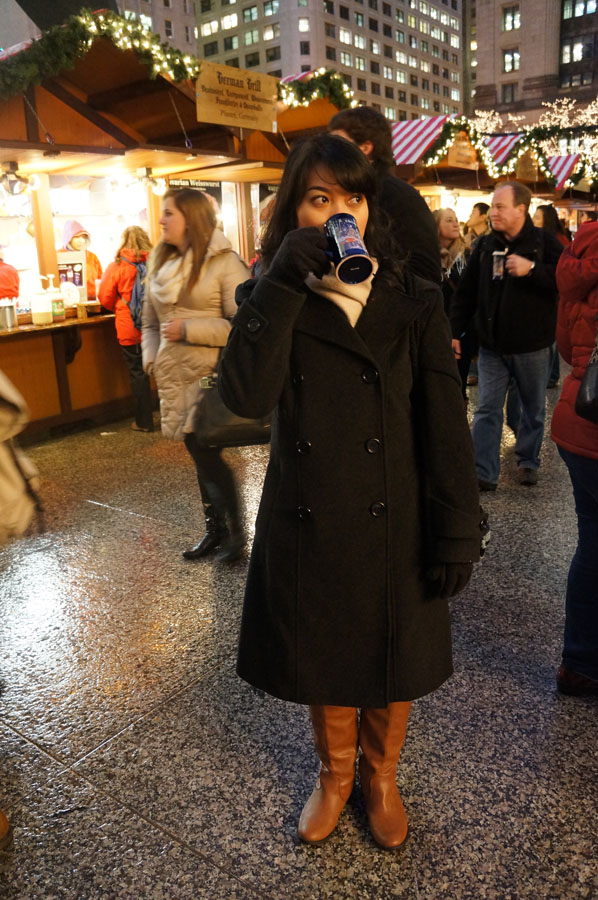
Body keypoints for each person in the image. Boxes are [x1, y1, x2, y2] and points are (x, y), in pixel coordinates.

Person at [218, 134, 481, 849]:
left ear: (370, 210)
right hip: (312, 511)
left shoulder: (416, 298)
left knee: (392, 647)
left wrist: (458, 525)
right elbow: (243, 397)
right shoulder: (272, 297)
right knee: (327, 647)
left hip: (396, 510)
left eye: (353, 197)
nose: (340, 211)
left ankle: (381, 776)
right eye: (319, 197)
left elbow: (442, 422)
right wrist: (277, 283)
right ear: (294, 211)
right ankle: (335, 776)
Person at [141, 188, 249, 562]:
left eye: (168, 213)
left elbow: (246, 325)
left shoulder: (223, 262)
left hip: (209, 376)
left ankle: (233, 533)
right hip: (175, 376)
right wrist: (151, 359)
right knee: (198, 448)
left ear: (191, 217)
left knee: (204, 447)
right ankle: (216, 532)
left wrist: (189, 329)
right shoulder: (162, 263)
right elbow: (150, 323)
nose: (161, 221)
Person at [450, 182, 563, 491]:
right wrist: (455, 331)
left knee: (532, 408)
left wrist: (533, 270)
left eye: (500, 207)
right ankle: (483, 472)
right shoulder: (485, 246)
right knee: (486, 408)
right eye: (493, 206)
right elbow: (466, 293)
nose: (494, 212)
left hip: (533, 346)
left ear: (521, 210)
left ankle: (527, 461)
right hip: (491, 346)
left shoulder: (544, 244)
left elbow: (567, 278)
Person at [551, 221, 598, 696]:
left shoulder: (578, 251)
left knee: (592, 547)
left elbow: (566, 347)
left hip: (578, 416)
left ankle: (581, 662)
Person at [328, 106, 442, 284]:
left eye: (338, 142)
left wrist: (372, 284)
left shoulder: (400, 198)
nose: (330, 151)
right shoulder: (346, 192)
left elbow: (425, 271)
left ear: (365, 148)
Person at [98, 227, 154, 433]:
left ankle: (144, 422)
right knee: (165, 371)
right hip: (157, 326)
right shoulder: (158, 263)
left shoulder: (117, 266)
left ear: (123, 242)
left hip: (130, 328)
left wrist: (122, 306)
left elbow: (104, 298)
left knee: (138, 373)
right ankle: (176, 421)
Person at [433, 208, 470, 399]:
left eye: (456, 220)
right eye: (449, 220)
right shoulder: (428, 256)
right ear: (436, 226)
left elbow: (466, 288)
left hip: (459, 328)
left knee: (459, 379)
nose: (456, 224)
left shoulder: (463, 255)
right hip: (435, 326)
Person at [532, 204, 569, 388]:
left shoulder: (557, 241)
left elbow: (564, 270)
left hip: (557, 296)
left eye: (537, 217)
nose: (533, 221)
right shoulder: (534, 240)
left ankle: (552, 374)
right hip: (543, 296)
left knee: (552, 335)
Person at [61, 220, 103, 301]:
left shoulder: (92, 257)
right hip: (67, 302)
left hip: (91, 301)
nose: (81, 241)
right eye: (77, 237)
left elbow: (100, 280)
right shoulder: (58, 256)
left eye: (83, 237)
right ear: (69, 238)